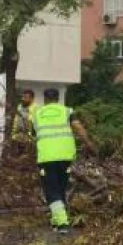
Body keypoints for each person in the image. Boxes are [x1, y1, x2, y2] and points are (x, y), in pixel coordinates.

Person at [31, 88, 96, 234]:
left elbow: (34, 135)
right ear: (58, 98)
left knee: (51, 190)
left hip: (46, 158)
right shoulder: (67, 111)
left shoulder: (37, 115)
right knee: (61, 188)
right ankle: (56, 220)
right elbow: (78, 128)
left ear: (45, 99)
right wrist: (88, 143)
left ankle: (62, 224)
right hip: (66, 157)